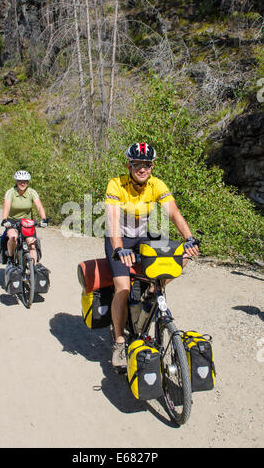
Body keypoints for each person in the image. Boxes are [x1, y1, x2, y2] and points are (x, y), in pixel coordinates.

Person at [104, 143, 199, 371]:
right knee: (122, 288)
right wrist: (118, 249)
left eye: (147, 165)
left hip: (144, 235)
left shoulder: (157, 184)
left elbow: (173, 213)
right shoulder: (116, 184)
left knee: (179, 258)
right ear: (130, 165)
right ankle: (119, 341)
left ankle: (152, 291)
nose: (142, 169)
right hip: (119, 238)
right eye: (137, 164)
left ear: (152, 166)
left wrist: (189, 238)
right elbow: (112, 220)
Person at [1, 170, 48, 265]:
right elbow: (7, 206)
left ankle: (33, 270)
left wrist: (44, 219)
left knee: (32, 245)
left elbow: (39, 206)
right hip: (12, 221)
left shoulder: (32, 192)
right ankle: (10, 258)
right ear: (16, 182)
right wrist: (5, 219)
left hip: (27, 222)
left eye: (25, 181)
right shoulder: (11, 192)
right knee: (13, 237)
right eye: (20, 181)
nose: (23, 183)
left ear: (28, 182)